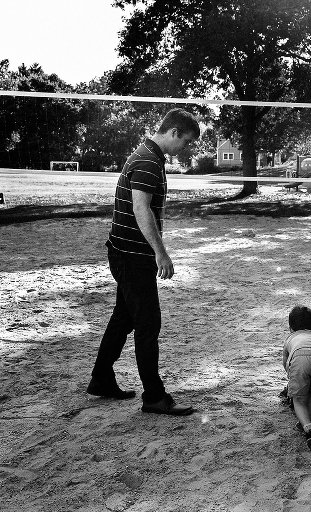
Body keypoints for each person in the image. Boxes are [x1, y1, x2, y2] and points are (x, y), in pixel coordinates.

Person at [87, 108, 200, 416]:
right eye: (187, 141)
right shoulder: (149, 161)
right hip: (132, 257)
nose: (185, 148)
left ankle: (101, 379)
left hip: (125, 253)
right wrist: (161, 253)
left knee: (124, 319)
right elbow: (141, 210)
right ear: (174, 132)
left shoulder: (148, 154)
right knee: (148, 325)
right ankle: (154, 396)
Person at [282, 305, 311, 447]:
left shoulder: (290, 339)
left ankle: (310, 430)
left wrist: (293, 383)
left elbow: (286, 363)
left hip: (301, 358)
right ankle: (306, 420)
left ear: (291, 329)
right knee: (310, 393)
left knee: (298, 399)